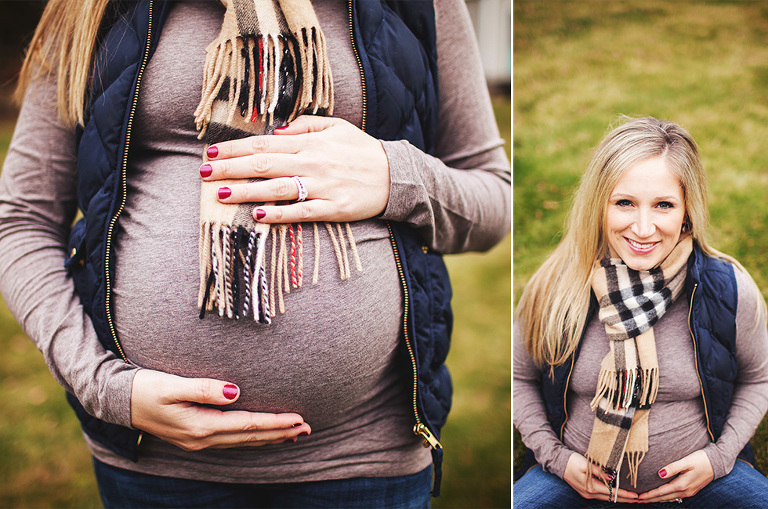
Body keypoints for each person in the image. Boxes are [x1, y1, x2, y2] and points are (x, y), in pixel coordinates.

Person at [0, 0, 510, 507]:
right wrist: (106, 388)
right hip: (157, 464)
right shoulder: (92, 7)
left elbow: (493, 203)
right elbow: (21, 219)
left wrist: (394, 175)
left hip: (363, 456)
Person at [513, 117, 768, 508]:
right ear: (600, 204)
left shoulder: (727, 287)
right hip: (572, 485)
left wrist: (717, 460)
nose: (644, 228)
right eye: (625, 203)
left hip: (705, 486)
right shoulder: (557, 285)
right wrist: (558, 460)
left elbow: (759, 379)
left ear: (686, 212)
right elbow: (519, 378)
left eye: (663, 205)